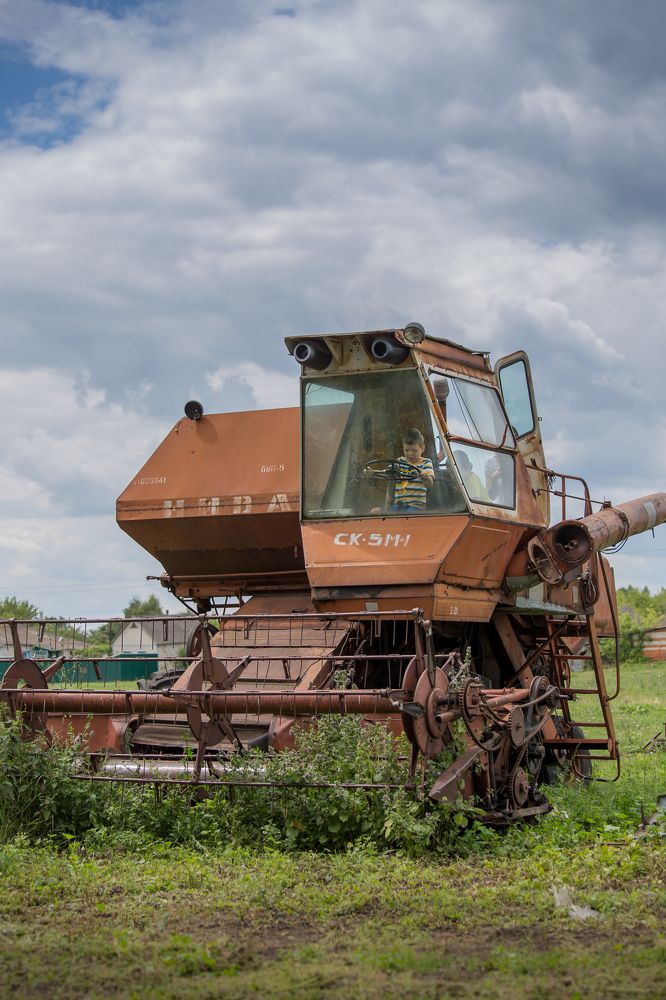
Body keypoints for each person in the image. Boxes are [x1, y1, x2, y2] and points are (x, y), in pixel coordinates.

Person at [391, 428, 434, 512]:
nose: (410, 454)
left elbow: (430, 484)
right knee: (383, 515)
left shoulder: (425, 463)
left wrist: (425, 477)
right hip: (398, 505)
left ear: (422, 448)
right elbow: (387, 472)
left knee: (407, 517)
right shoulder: (399, 462)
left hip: (416, 506)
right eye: (406, 450)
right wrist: (373, 473)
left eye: (414, 450)